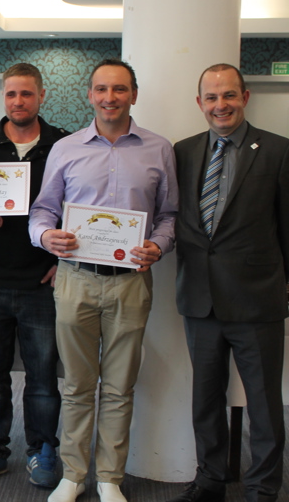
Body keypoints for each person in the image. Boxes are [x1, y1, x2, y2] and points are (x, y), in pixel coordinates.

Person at [29, 59, 178, 502]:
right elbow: (42, 210)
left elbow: (170, 215)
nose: (109, 97)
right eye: (101, 89)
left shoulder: (159, 149)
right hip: (75, 279)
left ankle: (110, 477)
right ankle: (74, 475)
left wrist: (159, 244)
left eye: (118, 89)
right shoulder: (67, 148)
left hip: (131, 283)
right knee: (76, 385)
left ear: (134, 94)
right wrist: (45, 236)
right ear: (89, 95)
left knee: (119, 386)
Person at [168, 64, 289, 502]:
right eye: (212, 98)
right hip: (199, 300)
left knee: (264, 405)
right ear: (200, 103)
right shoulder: (183, 151)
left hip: (258, 302)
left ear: (245, 97)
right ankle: (211, 479)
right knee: (205, 400)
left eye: (229, 96)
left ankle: (262, 488)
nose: (221, 105)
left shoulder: (278, 151)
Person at [0, 63, 68, 489]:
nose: (17, 102)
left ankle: (42, 449)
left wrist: (64, 262)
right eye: (10, 95)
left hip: (43, 281)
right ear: (3, 97)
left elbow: (74, 207)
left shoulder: (62, 144)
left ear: (41, 95)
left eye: (26, 94)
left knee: (42, 379)